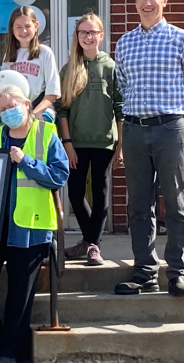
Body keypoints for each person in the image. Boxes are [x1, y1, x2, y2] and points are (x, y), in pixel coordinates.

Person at [113, 0, 184, 298]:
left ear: (165, 0)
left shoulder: (182, 39)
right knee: (138, 205)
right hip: (136, 130)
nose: (146, 3)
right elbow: (123, 88)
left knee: (176, 204)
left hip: (170, 129)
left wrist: (176, 122)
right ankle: (144, 272)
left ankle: (177, 273)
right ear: (134, 1)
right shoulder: (124, 43)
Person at [0, 84, 68, 363]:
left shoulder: (46, 134)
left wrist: (26, 162)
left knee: (20, 294)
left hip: (29, 228)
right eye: (2, 109)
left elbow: (59, 176)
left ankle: (10, 351)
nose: (8, 112)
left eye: (13, 106)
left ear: (26, 104)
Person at [58, 14, 123, 266]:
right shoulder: (69, 68)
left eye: (92, 32)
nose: (87, 37)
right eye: (82, 32)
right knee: (74, 193)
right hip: (76, 142)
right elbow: (62, 109)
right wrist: (67, 143)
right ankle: (90, 241)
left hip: (104, 142)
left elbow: (120, 108)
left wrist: (121, 146)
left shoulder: (111, 67)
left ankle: (92, 245)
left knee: (100, 192)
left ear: (101, 35)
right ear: (77, 36)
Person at [1, 6, 61, 122]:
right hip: (16, 111)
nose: (23, 31)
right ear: (12, 29)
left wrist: (35, 112)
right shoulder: (8, 56)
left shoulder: (45, 52)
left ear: (36, 26)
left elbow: (52, 92)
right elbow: (4, 89)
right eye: (18, 27)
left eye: (28, 26)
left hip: (41, 109)